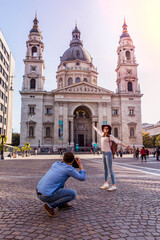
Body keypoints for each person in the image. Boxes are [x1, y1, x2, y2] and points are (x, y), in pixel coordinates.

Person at [36, 152, 86, 217]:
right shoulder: (69, 169)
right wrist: (80, 165)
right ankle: (49, 206)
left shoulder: (55, 164)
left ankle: (61, 204)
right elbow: (82, 178)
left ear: (63, 158)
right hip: (45, 196)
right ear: (73, 160)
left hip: (38, 192)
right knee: (73, 194)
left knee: (61, 182)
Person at [92, 124, 131, 191]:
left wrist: (126, 146)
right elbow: (97, 130)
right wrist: (93, 126)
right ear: (103, 129)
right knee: (105, 169)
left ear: (109, 130)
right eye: (105, 128)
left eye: (107, 128)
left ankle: (114, 185)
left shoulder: (110, 136)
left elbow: (118, 142)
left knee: (110, 169)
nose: (106, 129)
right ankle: (106, 183)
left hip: (108, 153)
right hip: (103, 153)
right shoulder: (102, 134)